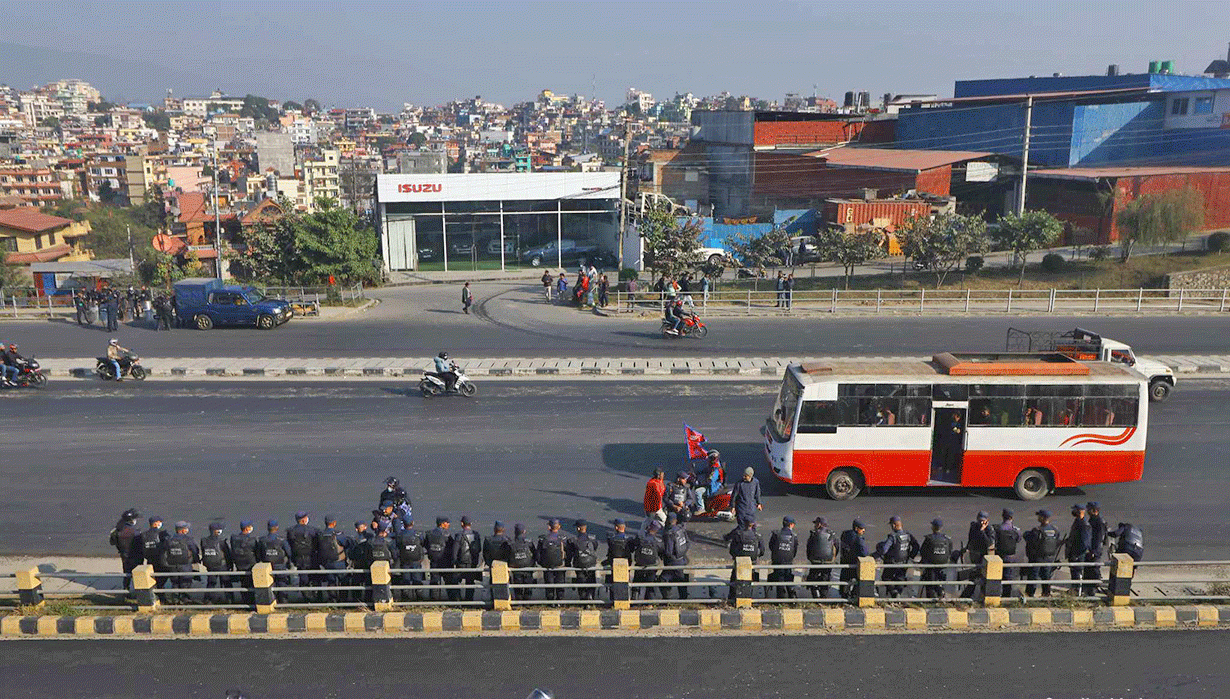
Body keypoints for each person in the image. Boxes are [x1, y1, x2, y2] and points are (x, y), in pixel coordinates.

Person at [875, 516, 919, 599]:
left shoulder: (893, 536)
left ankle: (894, 593)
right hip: (904, 562)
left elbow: (884, 549)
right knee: (900, 579)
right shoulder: (908, 535)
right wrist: (911, 556)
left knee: (886, 577)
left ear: (894, 525)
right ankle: (898, 594)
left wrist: (879, 552)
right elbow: (916, 546)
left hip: (892, 563)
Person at [724, 518, 765, 602]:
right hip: (752, 562)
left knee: (734, 579)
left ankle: (732, 598)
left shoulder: (738, 534)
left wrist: (736, 557)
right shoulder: (757, 536)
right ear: (753, 525)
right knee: (751, 581)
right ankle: (750, 597)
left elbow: (732, 549)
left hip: (739, 561)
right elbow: (762, 550)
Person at [161, 521, 200, 604]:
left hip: (172, 566)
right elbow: (194, 550)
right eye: (186, 528)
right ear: (183, 530)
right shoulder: (188, 539)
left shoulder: (169, 539)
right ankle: (184, 600)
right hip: (185, 565)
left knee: (175, 583)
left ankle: (175, 600)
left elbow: (164, 552)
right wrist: (196, 561)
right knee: (185, 583)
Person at [1024, 509, 1060, 597]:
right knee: (1046, 576)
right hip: (1049, 557)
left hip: (1037, 558)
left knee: (1033, 576)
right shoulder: (1055, 530)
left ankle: (1030, 594)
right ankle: (1046, 594)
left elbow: (1029, 539)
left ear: (1042, 518)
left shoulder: (1037, 530)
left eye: (1039, 516)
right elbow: (1057, 541)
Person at [315, 516, 352, 603]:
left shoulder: (320, 534)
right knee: (344, 581)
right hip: (339, 562)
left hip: (327, 563)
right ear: (334, 523)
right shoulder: (338, 534)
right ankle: (343, 601)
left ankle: (333, 600)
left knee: (331, 582)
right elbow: (346, 543)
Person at [286, 511, 320, 603]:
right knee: (315, 578)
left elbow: (289, 546)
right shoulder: (313, 530)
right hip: (312, 559)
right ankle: (316, 599)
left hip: (299, 560)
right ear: (305, 520)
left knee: (303, 579)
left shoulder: (291, 531)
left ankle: (306, 599)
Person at [389, 518, 425, 602]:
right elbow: (422, 543)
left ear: (403, 524)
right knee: (417, 580)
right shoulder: (418, 534)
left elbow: (397, 545)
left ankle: (406, 600)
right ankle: (419, 599)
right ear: (413, 523)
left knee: (406, 581)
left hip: (405, 561)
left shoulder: (400, 535)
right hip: (416, 561)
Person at [256, 520, 293, 602]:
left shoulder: (262, 540)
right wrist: (289, 563)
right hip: (280, 565)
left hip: (267, 566)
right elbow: (289, 552)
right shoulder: (282, 540)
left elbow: (259, 554)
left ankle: (272, 601)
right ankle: (283, 601)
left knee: (269, 584)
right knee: (282, 584)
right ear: (277, 528)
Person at [200, 521, 234, 605]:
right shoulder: (221, 541)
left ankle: (208, 600)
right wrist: (230, 565)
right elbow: (228, 554)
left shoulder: (204, 540)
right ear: (217, 531)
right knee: (226, 583)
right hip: (222, 565)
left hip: (210, 566)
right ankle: (230, 599)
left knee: (211, 583)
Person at [108, 508, 142, 591]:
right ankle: (138, 591)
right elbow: (140, 544)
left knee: (126, 573)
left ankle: (126, 589)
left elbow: (112, 542)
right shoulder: (135, 532)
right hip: (135, 556)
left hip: (124, 555)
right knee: (137, 574)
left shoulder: (118, 530)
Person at [919, 518, 953, 599]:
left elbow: (923, 551)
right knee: (940, 581)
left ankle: (931, 598)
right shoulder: (947, 539)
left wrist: (922, 563)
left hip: (931, 566)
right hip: (943, 566)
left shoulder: (929, 539)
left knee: (930, 584)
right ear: (941, 528)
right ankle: (940, 591)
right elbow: (949, 551)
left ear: (933, 527)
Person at [805, 516, 838, 599]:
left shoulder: (813, 534)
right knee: (826, 577)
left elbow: (809, 547)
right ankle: (824, 596)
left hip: (815, 561)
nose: (814, 525)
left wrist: (810, 558)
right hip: (828, 562)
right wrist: (832, 558)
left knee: (813, 577)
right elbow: (837, 546)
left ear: (819, 524)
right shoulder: (832, 534)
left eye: (816, 523)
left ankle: (815, 595)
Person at [537, 518, 569, 601]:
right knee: (560, 582)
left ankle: (550, 601)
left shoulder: (543, 539)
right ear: (559, 527)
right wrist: (567, 564)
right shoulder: (563, 539)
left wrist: (541, 563)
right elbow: (568, 552)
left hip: (547, 565)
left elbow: (538, 554)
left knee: (549, 583)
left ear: (549, 527)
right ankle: (560, 599)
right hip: (560, 564)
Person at [630, 519, 663, 600]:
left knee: (636, 583)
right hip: (651, 566)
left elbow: (632, 545)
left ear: (648, 527)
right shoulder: (657, 542)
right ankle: (649, 603)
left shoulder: (640, 537)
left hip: (640, 565)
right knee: (650, 585)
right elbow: (662, 553)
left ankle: (634, 600)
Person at [451, 515, 482, 602]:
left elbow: (455, 551)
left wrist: (454, 561)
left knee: (455, 581)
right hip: (472, 562)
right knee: (470, 582)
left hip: (461, 562)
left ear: (462, 524)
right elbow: (479, 549)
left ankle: (458, 600)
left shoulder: (459, 535)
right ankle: (469, 601)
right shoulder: (476, 535)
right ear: (470, 524)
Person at [661, 513, 691, 600]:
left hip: (673, 562)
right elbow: (687, 543)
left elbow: (668, 552)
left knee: (663, 579)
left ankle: (667, 599)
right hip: (682, 559)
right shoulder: (681, 529)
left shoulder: (669, 533)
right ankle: (683, 597)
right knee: (680, 578)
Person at [1065, 504, 1093, 596]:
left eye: (1075, 510)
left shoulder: (1084, 525)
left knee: (1077, 572)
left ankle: (1077, 592)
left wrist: (1077, 554)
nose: (1073, 512)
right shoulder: (1077, 521)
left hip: (1078, 553)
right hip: (1073, 552)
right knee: (1073, 571)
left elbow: (1085, 543)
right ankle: (1074, 589)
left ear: (1081, 512)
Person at [568, 520, 600, 601]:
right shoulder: (592, 539)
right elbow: (595, 548)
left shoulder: (574, 540)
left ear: (578, 528)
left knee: (581, 580)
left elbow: (570, 552)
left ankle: (583, 599)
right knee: (591, 580)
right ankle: (590, 597)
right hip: (590, 563)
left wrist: (568, 563)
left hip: (579, 564)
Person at [228, 521, 259, 604]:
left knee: (243, 584)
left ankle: (245, 601)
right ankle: (251, 602)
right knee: (251, 584)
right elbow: (257, 552)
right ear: (246, 528)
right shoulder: (252, 540)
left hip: (239, 565)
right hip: (250, 565)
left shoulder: (234, 538)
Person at [768, 516, 799, 599]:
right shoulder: (794, 536)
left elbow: (771, 546)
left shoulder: (776, 534)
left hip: (777, 560)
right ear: (791, 525)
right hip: (788, 561)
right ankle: (792, 597)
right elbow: (794, 549)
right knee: (788, 577)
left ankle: (780, 598)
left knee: (779, 578)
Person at [839, 519, 870, 600]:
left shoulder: (845, 534)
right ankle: (853, 596)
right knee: (858, 580)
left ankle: (843, 596)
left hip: (845, 561)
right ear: (856, 528)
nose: (864, 530)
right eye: (861, 528)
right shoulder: (858, 538)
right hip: (855, 563)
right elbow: (864, 553)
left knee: (844, 580)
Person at [994, 509, 1022, 597]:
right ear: (1012, 517)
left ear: (1003, 516)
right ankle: (1006, 596)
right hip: (1010, 556)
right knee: (1008, 576)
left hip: (998, 556)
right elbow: (1018, 539)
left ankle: (995, 594)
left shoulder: (997, 528)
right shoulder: (1016, 530)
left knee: (996, 576)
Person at [424, 517, 452, 601]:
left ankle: (434, 599)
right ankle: (452, 599)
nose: (448, 524)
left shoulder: (429, 533)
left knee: (434, 581)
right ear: (442, 524)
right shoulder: (447, 534)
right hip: (445, 561)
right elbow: (451, 546)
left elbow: (426, 545)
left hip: (434, 561)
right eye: (447, 522)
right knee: (449, 581)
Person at [138, 516, 170, 589]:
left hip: (150, 560)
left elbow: (141, 548)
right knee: (162, 579)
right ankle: (161, 595)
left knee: (152, 579)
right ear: (156, 524)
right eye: (159, 522)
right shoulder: (163, 534)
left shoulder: (143, 535)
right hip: (161, 561)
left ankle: (156, 594)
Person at [508, 523, 535, 601]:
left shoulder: (511, 543)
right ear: (524, 531)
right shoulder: (529, 542)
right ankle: (527, 602)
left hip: (516, 568)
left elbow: (507, 555)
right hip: (528, 567)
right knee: (528, 586)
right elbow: (534, 553)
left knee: (517, 587)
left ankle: (519, 601)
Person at [1086, 502, 1108, 595]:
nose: (1087, 511)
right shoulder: (1093, 519)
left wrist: (1094, 551)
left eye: (1089, 509)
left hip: (1096, 549)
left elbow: (1099, 538)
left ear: (1095, 511)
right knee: (1089, 568)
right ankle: (1089, 586)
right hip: (1092, 548)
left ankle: (1095, 587)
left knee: (1094, 567)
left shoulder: (1099, 521)